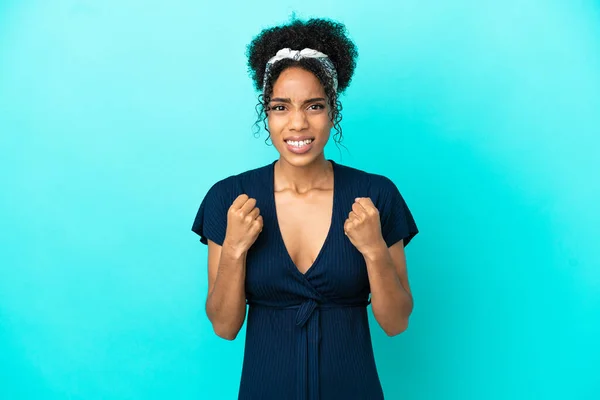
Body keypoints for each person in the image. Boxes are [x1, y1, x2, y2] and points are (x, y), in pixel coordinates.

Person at [191, 17, 419, 400]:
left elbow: (396, 323)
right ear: (267, 113)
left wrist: (374, 249)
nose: (298, 124)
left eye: (314, 106)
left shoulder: (375, 195)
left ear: (333, 111)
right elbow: (225, 326)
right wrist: (233, 248)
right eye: (281, 107)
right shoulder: (229, 198)